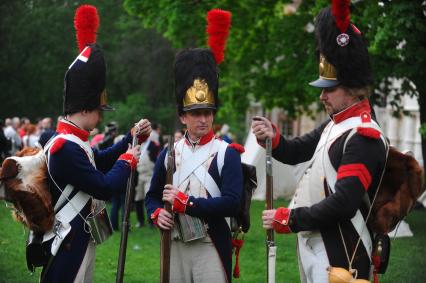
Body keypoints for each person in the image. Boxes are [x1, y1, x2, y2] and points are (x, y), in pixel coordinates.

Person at [253, 4, 387, 283]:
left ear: (351, 86)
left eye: (329, 89)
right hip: (320, 247)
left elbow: (343, 204)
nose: (322, 97)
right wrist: (272, 137)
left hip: (342, 252)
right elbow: (296, 150)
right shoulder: (337, 123)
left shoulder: (363, 135)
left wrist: (290, 219)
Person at [38, 5, 151, 282]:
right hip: (67, 243)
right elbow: (104, 186)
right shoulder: (65, 146)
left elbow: (98, 161)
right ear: (87, 108)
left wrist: (129, 139)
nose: (101, 115)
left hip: (79, 238)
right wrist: (128, 160)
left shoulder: (74, 142)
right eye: (100, 110)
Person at [145, 9, 243, 283]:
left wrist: (186, 203)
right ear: (182, 116)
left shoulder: (227, 154)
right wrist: (155, 213)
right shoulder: (170, 153)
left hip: (210, 245)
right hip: (174, 244)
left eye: (208, 112)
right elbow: (153, 196)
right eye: (196, 113)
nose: (203, 119)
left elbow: (232, 204)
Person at [134, 131, 160, 228]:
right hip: (139, 175)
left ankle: (151, 220)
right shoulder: (138, 145)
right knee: (138, 198)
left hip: (150, 175)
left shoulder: (153, 144)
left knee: (148, 197)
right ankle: (140, 221)